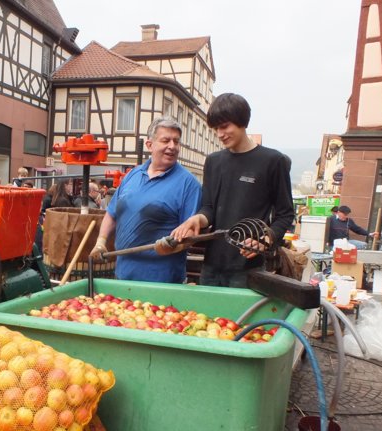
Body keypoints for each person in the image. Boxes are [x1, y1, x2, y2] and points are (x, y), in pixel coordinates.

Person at [171, 93, 294, 288]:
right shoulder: (213, 162)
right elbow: (209, 208)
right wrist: (197, 219)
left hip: (249, 267)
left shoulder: (272, 161)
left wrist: (267, 238)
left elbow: (286, 214)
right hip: (212, 265)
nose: (220, 134)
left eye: (225, 126)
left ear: (242, 122)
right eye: (216, 129)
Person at [91, 117, 202, 283]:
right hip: (122, 275)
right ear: (150, 145)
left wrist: (174, 245)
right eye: (165, 140)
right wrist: (101, 241)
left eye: (176, 142)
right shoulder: (133, 175)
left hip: (162, 280)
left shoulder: (188, 184)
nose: (172, 146)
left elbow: (191, 232)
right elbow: (112, 213)